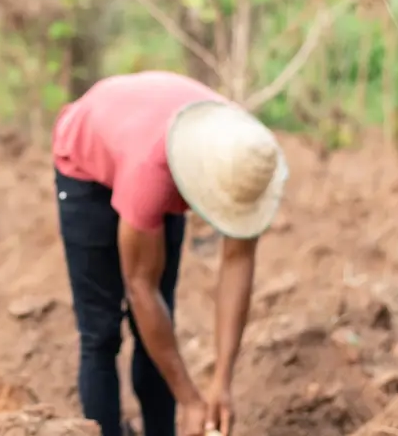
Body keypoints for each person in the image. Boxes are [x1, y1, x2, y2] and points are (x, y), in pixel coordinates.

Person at [51, 71, 288, 436]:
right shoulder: (152, 171)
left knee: (160, 324)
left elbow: (237, 261)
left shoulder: (249, 157)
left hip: (148, 148)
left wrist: (221, 382)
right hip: (86, 163)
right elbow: (139, 287)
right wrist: (191, 400)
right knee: (101, 332)